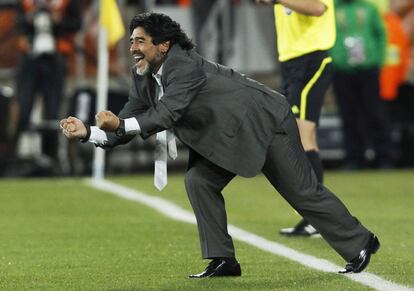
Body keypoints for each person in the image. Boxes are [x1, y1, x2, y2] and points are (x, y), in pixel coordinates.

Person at [60, 12, 380, 278]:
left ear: (164, 44)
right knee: (198, 181)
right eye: (131, 41)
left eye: (141, 41)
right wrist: (87, 132)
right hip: (224, 133)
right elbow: (129, 120)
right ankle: (223, 260)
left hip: (263, 120)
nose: (133, 48)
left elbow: (166, 113)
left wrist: (118, 124)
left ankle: (360, 242)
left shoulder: (183, 65)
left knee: (301, 191)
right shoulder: (143, 74)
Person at [255, 0, 335, 237]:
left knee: (304, 134)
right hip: (291, 61)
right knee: (298, 136)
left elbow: (318, 8)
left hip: (313, 58)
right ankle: (314, 216)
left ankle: (318, 217)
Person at [13, 0, 81, 173]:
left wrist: (59, 21)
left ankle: (51, 159)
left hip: (55, 61)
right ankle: (13, 162)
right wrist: (29, 18)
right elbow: (17, 22)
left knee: (53, 113)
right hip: (29, 61)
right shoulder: (26, 3)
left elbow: (76, 23)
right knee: (23, 111)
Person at [331, 0, 392, 169]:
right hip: (341, 70)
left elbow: (381, 34)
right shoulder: (330, 9)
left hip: (368, 69)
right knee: (348, 115)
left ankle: (383, 157)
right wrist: (333, 60)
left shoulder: (368, 8)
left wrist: (378, 61)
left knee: (375, 112)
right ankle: (354, 158)